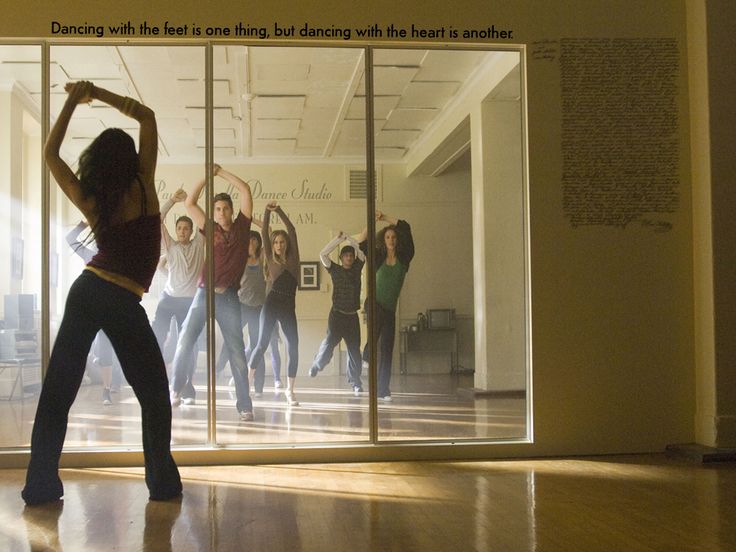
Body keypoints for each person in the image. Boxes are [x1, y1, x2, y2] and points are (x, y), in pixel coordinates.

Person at [23, 81, 181, 505]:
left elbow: (50, 155)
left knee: (59, 390)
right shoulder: (143, 184)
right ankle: (162, 483)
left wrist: (73, 102)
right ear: (129, 160)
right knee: (154, 394)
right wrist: (100, 94)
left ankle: (40, 485)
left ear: (98, 162)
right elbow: (147, 116)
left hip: (88, 291)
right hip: (120, 299)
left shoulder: (93, 198)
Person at [168, 165, 254, 421]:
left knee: (237, 353)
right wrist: (207, 176)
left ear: (231, 210)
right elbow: (191, 202)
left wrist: (222, 172)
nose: (222, 212)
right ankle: (175, 389)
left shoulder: (242, 227)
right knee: (184, 340)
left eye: (226, 208)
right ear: (214, 214)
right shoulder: (209, 227)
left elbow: (245, 190)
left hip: (229, 297)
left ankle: (245, 405)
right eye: (218, 209)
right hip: (203, 294)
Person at [215, 227, 283, 397]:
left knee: (257, 347)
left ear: (259, 243)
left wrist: (255, 222)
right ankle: (218, 368)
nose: (251, 242)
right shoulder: (240, 259)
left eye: (254, 240)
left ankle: (258, 387)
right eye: (249, 240)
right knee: (231, 338)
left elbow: (268, 233)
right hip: (241, 306)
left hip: (259, 309)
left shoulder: (262, 258)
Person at [152, 189, 204, 404]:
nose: (182, 231)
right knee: (156, 336)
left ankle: (187, 387)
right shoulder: (171, 246)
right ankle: (156, 381)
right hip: (169, 298)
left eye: (186, 228)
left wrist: (188, 204)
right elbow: (158, 219)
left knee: (188, 345)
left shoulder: (199, 244)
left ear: (191, 231)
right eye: (179, 228)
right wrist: (173, 200)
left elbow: (204, 222)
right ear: (176, 231)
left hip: (189, 302)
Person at [65, 220, 123, 404]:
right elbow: (70, 238)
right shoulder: (88, 254)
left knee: (107, 350)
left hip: (109, 310)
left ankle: (106, 389)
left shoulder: (117, 256)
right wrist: (83, 224)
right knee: (82, 348)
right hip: (89, 307)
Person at [249, 202, 301, 406]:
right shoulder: (269, 257)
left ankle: (290, 390)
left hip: (288, 307)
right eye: (276, 242)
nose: (279, 244)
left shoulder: (294, 259)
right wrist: (267, 212)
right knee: (261, 344)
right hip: (271, 304)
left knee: (293, 346)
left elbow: (292, 230)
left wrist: (278, 210)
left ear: (286, 243)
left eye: (282, 242)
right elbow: (263, 231)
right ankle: (247, 384)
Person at [360, 210, 415, 402]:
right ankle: (366, 354)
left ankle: (383, 389)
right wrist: (371, 221)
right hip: (374, 304)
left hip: (390, 308)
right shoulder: (377, 258)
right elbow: (361, 241)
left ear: (397, 240)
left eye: (393, 237)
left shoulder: (404, 259)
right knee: (375, 341)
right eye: (387, 237)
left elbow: (406, 227)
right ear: (383, 240)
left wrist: (385, 218)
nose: (391, 240)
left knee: (387, 348)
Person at [309, 231, 366, 395]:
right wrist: (338, 240)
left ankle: (355, 383)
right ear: (341, 258)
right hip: (337, 315)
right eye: (345, 255)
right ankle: (317, 365)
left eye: (350, 255)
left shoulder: (357, 268)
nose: (349, 257)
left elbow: (362, 252)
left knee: (354, 351)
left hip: (352, 317)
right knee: (329, 343)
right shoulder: (335, 269)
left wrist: (350, 239)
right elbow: (323, 254)